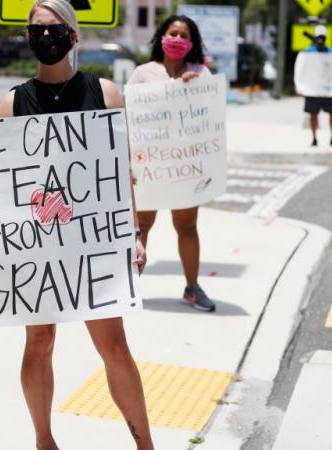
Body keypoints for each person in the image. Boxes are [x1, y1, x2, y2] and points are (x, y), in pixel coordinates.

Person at [0, 1, 154, 449]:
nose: (46, 37)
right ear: (27, 38)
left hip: (94, 241)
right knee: (40, 342)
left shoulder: (105, 93)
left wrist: (135, 234)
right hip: (39, 243)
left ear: (73, 35)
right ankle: (44, 440)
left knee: (115, 348)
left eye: (54, 29)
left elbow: (121, 173)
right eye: (37, 30)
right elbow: (4, 187)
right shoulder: (13, 103)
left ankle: (145, 444)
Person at [126, 15, 216, 313]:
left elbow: (210, 116)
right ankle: (128, 288)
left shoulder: (201, 73)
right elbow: (128, 118)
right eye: (172, 33)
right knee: (142, 227)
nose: (177, 39)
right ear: (161, 37)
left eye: (184, 35)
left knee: (187, 225)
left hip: (185, 165)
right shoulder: (142, 74)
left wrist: (192, 89)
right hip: (149, 165)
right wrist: (127, 161)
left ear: (192, 44)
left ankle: (192, 287)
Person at [303, 25, 332, 147]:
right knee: (313, 114)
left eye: (322, 37)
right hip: (314, 89)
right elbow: (303, 69)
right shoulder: (308, 52)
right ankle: (314, 138)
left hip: (328, 90)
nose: (321, 40)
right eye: (318, 37)